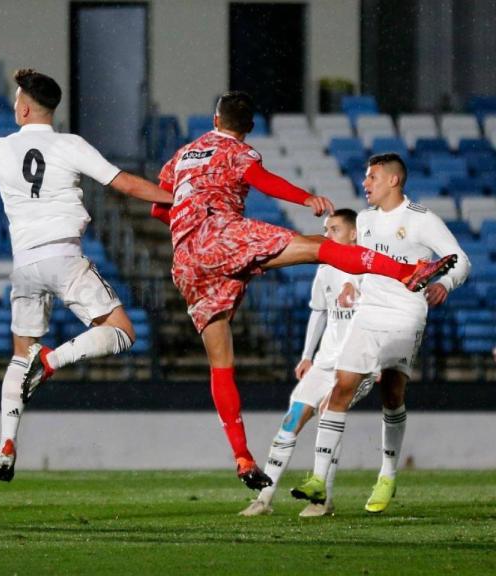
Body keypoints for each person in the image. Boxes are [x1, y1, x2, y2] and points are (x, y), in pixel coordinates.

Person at [152, 91, 458, 490]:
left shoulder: (182, 156)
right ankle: (406, 271)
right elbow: (261, 181)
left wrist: (192, 240)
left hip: (186, 261)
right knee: (319, 248)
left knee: (220, 362)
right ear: (249, 128)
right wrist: (305, 197)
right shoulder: (239, 153)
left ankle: (242, 457)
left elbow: (160, 208)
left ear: (214, 119)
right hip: (222, 235)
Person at [0, 68, 175, 482]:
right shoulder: (70, 145)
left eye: (15, 100)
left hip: (25, 265)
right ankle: (51, 360)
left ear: (24, 107)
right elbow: (128, 185)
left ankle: (7, 444)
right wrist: (173, 198)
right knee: (122, 332)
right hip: (64, 257)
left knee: (17, 355)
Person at [292, 153, 470, 512]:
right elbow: (356, 259)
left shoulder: (422, 220)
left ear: (393, 180)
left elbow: (460, 258)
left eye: (371, 177)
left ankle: (387, 475)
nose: (364, 183)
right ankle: (317, 478)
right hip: (368, 314)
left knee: (391, 393)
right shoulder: (366, 220)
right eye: (365, 177)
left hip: (406, 314)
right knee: (341, 387)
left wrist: (445, 284)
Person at [239, 209, 373, 517]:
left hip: (357, 363)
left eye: (334, 229)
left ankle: (321, 498)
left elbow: (381, 317)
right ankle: (264, 497)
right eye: (325, 230)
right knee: (291, 419)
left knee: (329, 414)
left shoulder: (370, 269)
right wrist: (307, 355)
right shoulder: (325, 267)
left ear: (353, 234)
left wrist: (377, 362)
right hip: (325, 362)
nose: (327, 236)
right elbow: (319, 312)